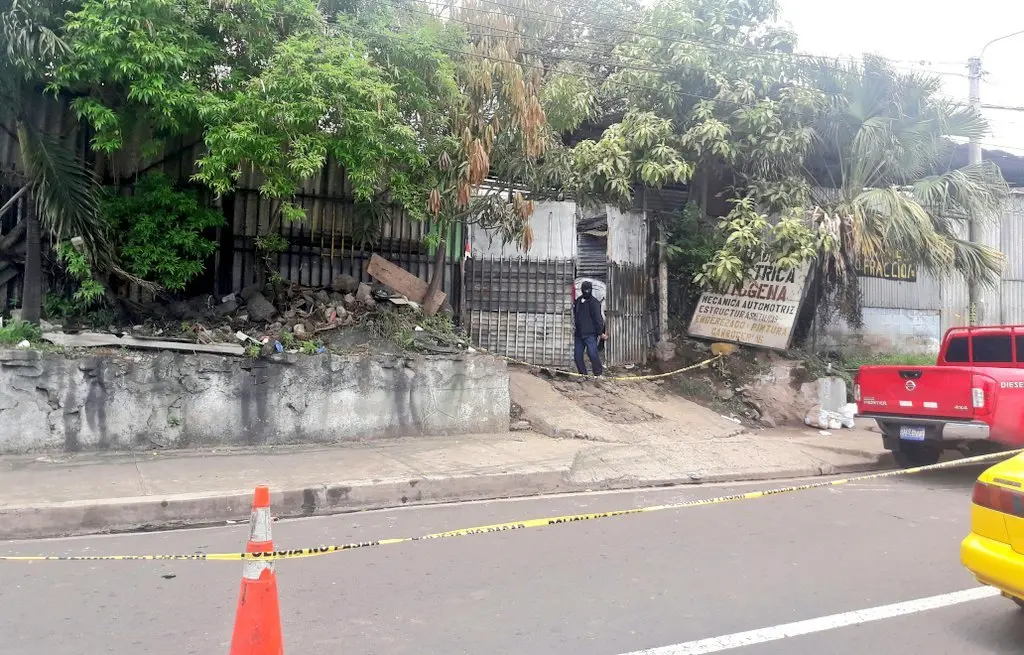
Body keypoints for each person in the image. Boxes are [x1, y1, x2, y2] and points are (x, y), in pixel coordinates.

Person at [573, 281, 606, 376]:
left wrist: (600, 332)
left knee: (592, 354)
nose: (586, 291)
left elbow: (598, 319)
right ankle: (583, 374)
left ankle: (598, 374)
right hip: (579, 334)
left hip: (590, 334)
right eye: (585, 289)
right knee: (577, 356)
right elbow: (575, 315)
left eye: (588, 289)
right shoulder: (578, 301)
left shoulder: (594, 303)